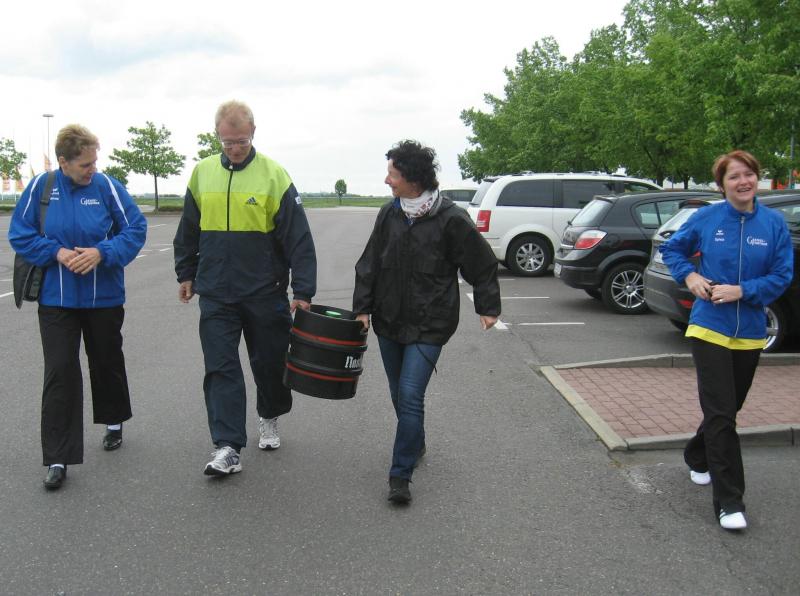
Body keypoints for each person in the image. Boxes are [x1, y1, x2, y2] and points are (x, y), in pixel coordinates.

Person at [353, 140, 501, 504]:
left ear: (413, 179)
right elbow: (370, 263)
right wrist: (362, 309)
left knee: (409, 394)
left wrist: (487, 306)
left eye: (393, 174)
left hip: (430, 323)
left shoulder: (450, 219)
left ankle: (400, 475)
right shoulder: (389, 214)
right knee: (397, 393)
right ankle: (415, 441)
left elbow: (481, 264)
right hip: (389, 320)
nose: (387, 180)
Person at [173, 100, 316, 477]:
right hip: (217, 292)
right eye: (227, 142)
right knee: (220, 367)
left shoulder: (274, 176)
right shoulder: (202, 173)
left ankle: (269, 414)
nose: (235, 149)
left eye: (241, 141)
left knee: (270, 364)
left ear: (253, 133)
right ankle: (227, 445)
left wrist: (303, 291)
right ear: (217, 136)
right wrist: (185, 273)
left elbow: (298, 238)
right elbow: (188, 229)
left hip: (264, 291)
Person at [8, 124, 147, 490]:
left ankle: (113, 420)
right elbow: (20, 233)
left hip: (104, 298)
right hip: (57, 300)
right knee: (59, 371)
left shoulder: (107, 187)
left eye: (94, 162)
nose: (92, 169)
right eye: (85, 164)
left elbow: (135, 229)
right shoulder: (41, 188)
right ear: (63, 162)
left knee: (105, 360)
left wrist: (103, 252)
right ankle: (58, 457)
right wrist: (55, 252)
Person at [660, 150, 792, 530]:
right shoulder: (707, 218)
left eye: (748, 174)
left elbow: (782, 276)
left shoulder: (773, 224)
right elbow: (672, 248)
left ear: (757, 178)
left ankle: (697, 454)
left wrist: (743, 291)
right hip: (709, 327)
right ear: (722, 185)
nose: (743, 182)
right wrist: (690, 276)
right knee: (721, 415)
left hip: (749, 332)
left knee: (727, 410)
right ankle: (730, 502)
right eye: (733, 177)